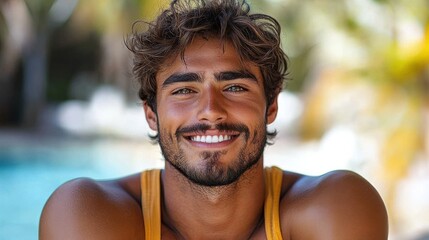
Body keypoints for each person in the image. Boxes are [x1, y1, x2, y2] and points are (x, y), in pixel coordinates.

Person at [39, 0, 389, 239]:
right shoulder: (88, 214)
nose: (210, 110)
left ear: (270, 106)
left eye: (235, 87)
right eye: (183, 90)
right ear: (151, 114)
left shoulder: (334, 207)